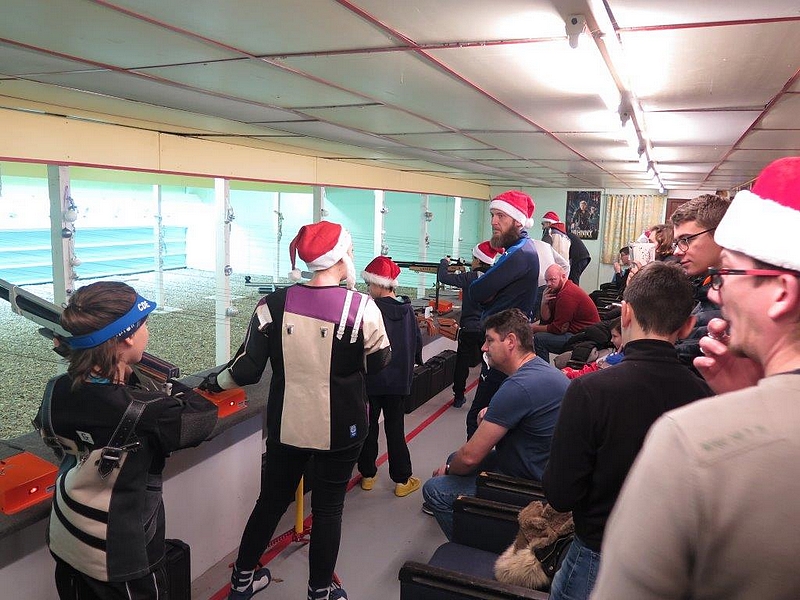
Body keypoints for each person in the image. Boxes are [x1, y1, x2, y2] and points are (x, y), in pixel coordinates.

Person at [592, 156, 800, 600]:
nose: (716, 292)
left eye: (729, 274)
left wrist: (739, 412)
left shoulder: (690, 443)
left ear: (782, 293)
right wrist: (752, 396)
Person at [201, 221, 391, 600]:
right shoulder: (361, 308)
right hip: (344, 428)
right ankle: (319, 592)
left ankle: (242, 580)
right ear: (341, 258)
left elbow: (246, 370)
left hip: (286, 426)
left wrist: (212, 384)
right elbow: (379, 362)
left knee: (271, 501)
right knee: (329, 510)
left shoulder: (271, 305)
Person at [34, 281, 218, 600]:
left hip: (67, 538)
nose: (148, 332)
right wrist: (164, 381)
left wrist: (117, 367)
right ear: (128, 337)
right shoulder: (149, 411)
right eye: (144, 324)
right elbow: (203, 417)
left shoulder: (56, 389)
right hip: (122, 558)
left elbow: (60, 432)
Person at [542, 262, 712, 600]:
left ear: (626, 314)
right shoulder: (705, 397)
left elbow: (561, 495)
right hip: (673, 567)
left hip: (597, 558)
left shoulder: (589, 391)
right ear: (688, 325)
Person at [422, 308, 568, 540]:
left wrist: (447, 471)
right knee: (453, 458)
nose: (484, 348)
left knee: (435, 489)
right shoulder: (540, 371)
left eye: (489, 340)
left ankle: (479, 545)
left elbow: (470, 457)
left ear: (510, 341)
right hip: (546, 470)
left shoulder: (517, 387)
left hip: (528, 487)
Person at [466, 190, 540, 438]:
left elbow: (477, 291)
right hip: (503, 340)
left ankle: (474, 462)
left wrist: (489, 294)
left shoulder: (520, 254)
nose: (493, 221)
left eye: (500, 216)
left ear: (518, 221)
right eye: (493, 215)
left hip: (505, 345)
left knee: (478, 417)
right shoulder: (516, 250)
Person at [357, 255, 423, 497]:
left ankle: (368, 475)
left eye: (369, 284)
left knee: (369, 428)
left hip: (371, 381)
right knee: (396, 429)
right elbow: (416, 343)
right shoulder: (407, 310)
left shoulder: (369, 309)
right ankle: (402, 479)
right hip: (398, 382)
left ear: (378, 283)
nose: (367, 288)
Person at [437, 240, 502, 407]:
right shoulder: (496, 276)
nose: (472, 262)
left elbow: (443, 277)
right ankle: (487, 399)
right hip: (487, 328)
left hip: (468, 328)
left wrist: (444, 263)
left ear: (479, 260)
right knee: (489, 364)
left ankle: (459, 397)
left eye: (473, 259)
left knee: (462, 364)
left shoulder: (469, 277)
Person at [669, 194, 731, 365]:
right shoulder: (706, 285)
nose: (677, 251)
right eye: (677, 242)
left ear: (721, 235)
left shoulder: (730, 303)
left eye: (686, 240)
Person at [531, 264, 600, 362]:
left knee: (538, 339)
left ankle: (543, 370)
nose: (549, 284)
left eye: (552, 280)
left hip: (583, 337)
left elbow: (558, 329)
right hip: (575, 332)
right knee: (537, 333)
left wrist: (533, 328)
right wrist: (544, 302)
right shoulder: (556, 290)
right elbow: (546, 320)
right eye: (547, 281)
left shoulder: (567, 295)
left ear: (563, 276)